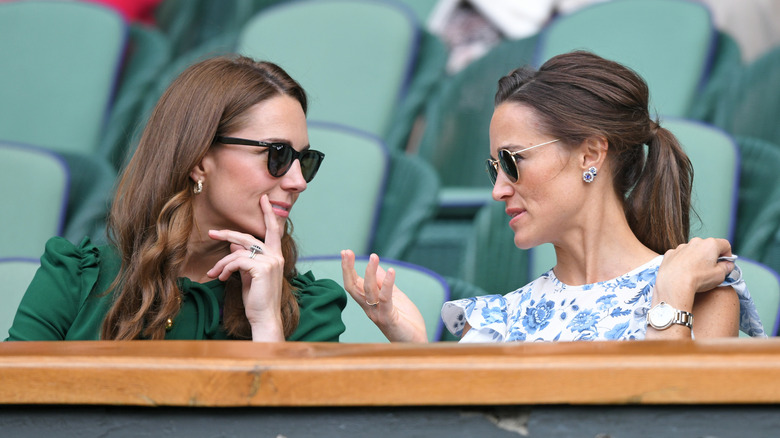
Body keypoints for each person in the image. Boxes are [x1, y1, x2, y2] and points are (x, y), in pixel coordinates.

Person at [341, 50, 766, 342]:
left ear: (590, 153)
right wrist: (412, 345)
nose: (497, 189)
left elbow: (679, 424)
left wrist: (671, 297)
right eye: (493, 168)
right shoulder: (499, 320)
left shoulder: (700, 291)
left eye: (512, 161)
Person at [6, 55, 346, 342]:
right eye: (278, 154)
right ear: (199, 160)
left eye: (305, 160)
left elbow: (287, 425)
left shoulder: (310, 309)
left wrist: (267, 326)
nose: (298, 181)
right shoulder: (76, 279)